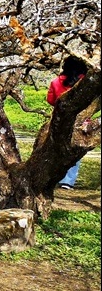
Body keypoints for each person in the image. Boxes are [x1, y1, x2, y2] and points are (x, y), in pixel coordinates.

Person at [48, 56, 89, 190]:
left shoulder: (55, 82)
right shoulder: (85, 81)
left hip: (59, 120)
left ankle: (54, 177)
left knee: (57, 149)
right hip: (82, 121)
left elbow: (50, 100)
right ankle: (68, 181)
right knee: (75, 151)